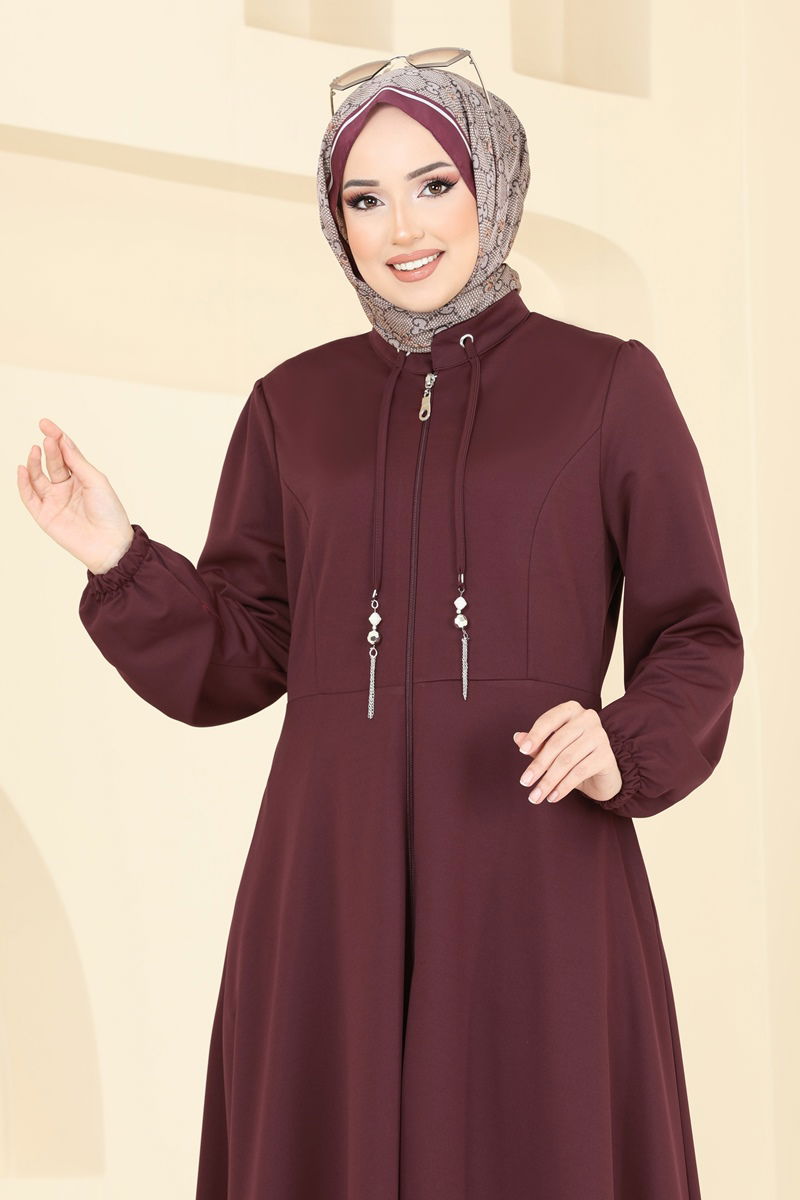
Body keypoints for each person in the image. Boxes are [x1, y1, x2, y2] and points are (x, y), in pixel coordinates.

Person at [17, 55, 744, 1199]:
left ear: (490, 183)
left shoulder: (605, 385)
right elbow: (243, 657)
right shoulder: (291, 405)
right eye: (363, 198)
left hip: (531, 869)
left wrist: (624, 739)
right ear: (335, 219)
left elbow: (696, 630)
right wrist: (119, 557)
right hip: (327, 881)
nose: (400, 228)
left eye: (432, 185)